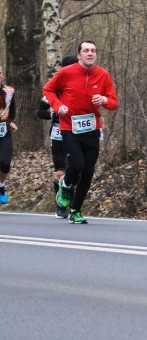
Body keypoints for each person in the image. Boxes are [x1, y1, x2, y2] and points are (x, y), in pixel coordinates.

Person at [43, 41, 119, 224]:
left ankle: (75, 210)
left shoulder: (103, 75)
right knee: (76, 165)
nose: (90, 53)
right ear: (79, 55)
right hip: (69, 127)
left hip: (92, 129)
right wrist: (59, 105)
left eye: (93, 50)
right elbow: (48, 90)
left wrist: (104, 100)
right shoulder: (66, 73)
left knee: (88, 172)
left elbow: (114, 102)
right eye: (86, 50)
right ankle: (66, 184)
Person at [37, 55, 79, 218]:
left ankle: (73, 203)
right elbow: (40, 112)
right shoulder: (54, 88)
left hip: (76, 136)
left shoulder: (83, 87)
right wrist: (52, 114)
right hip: (58, 136)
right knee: (60, 173)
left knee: (75, 171)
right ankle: (61, 205)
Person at [0, 65, 19, 205]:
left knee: (5, 162)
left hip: (3, 130)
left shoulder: (9, 91)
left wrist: (11, 121)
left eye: (0, 72)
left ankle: (0, 186)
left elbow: (11, 107)